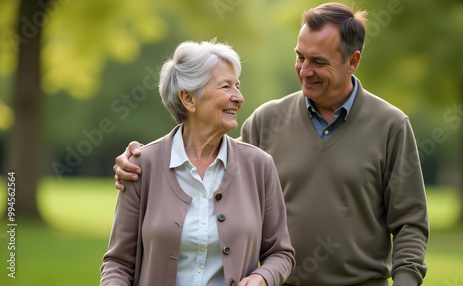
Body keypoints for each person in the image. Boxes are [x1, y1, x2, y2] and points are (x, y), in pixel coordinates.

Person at [113, 3, 429, 286]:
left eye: (318, 61)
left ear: (352, 61)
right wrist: (135, 162)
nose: (304, 70)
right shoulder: (268, 120)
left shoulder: (391, 126)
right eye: (299, 56)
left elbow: (410, 224)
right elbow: (210, 161)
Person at [101, 40, 295, 286]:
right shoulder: (141, 166)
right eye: (226, 86)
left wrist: (262, 277)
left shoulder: (259, 166)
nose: (239, 97)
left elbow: (281, 253)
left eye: (237, 86)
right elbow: (117, 263)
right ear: (189, 99)